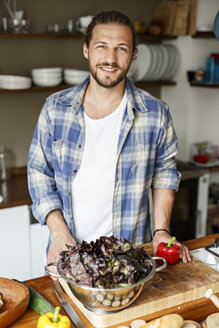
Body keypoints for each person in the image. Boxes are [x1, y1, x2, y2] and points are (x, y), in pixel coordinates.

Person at [27, 10, 191, 275]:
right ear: (86, 50)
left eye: (121, 48)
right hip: (67, 254)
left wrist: (161, 232)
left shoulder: (156, 113)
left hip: (130, 257)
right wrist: (58, 233)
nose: (110, 59)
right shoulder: (55, 108)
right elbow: (38, 172)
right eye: (101, 46)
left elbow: (164, 175)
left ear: (133, 55)